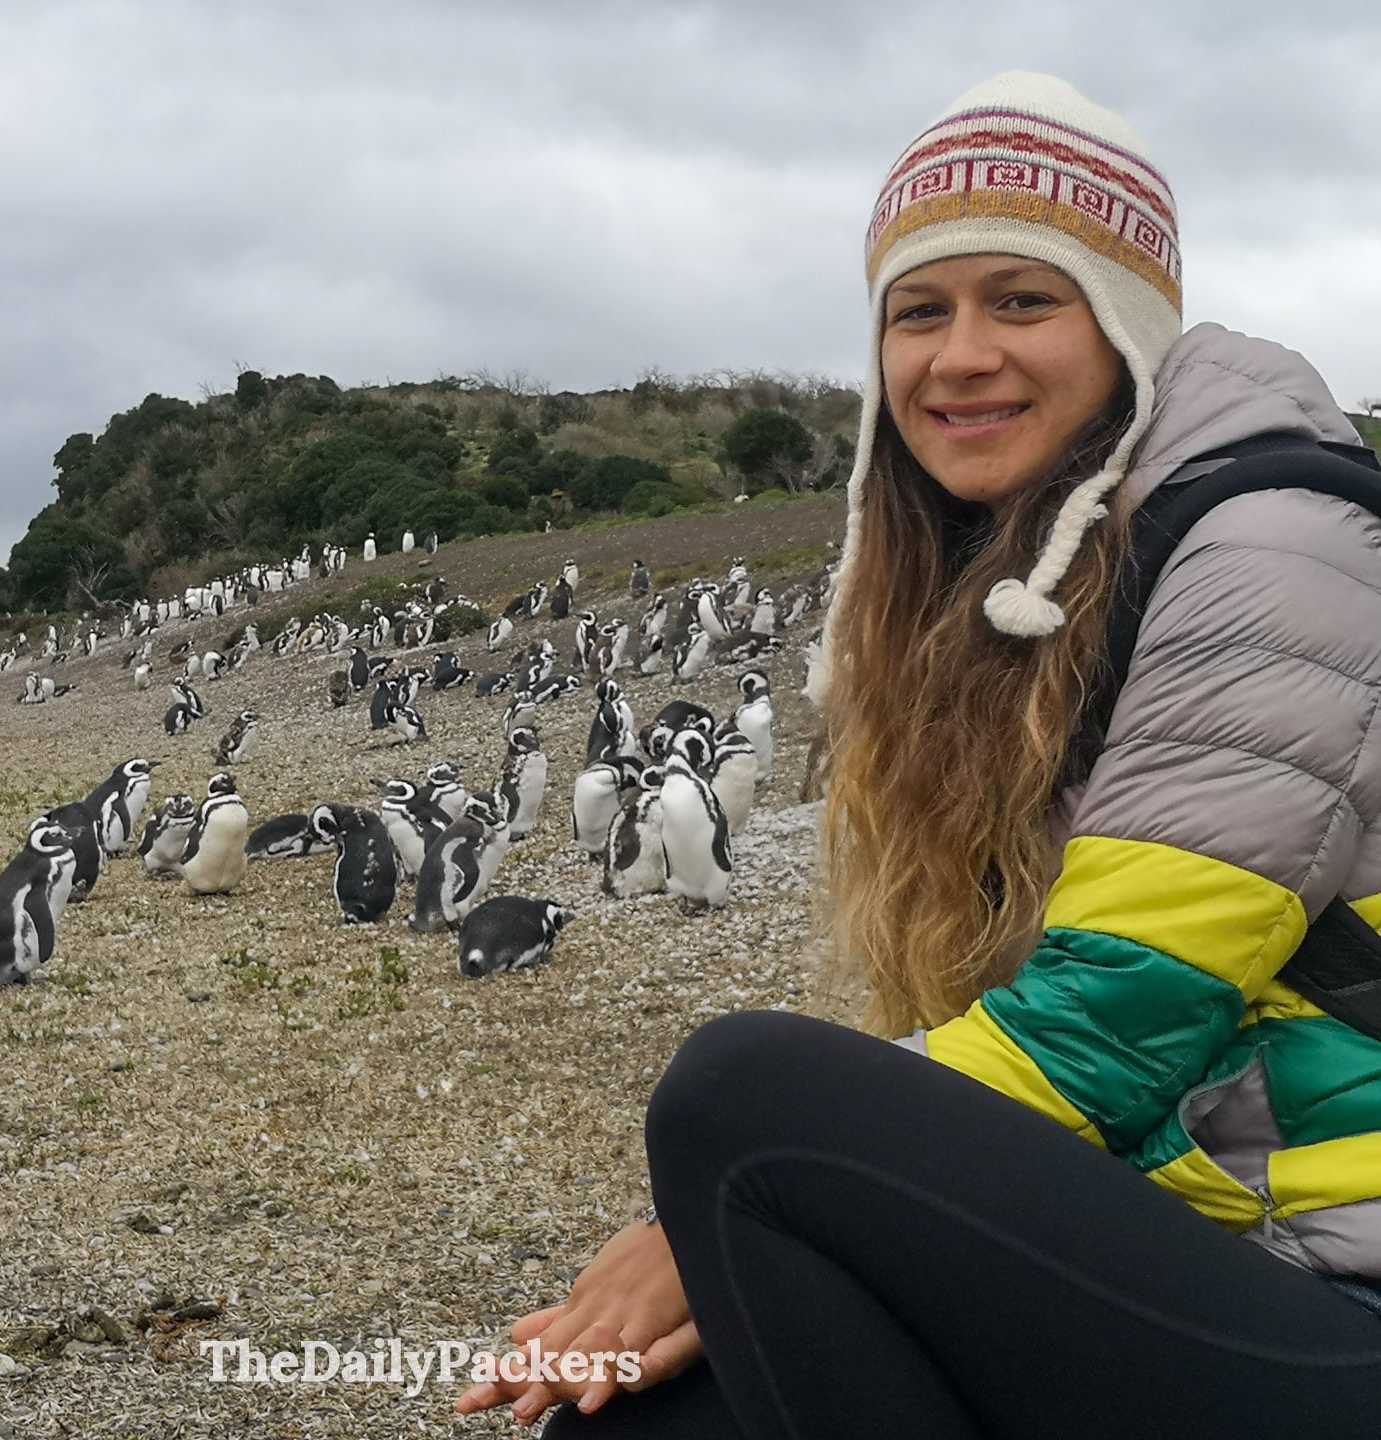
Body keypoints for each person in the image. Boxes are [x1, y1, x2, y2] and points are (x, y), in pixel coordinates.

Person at [457, 71, 1381, 1436]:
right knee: (641, 1423)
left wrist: (703, 1227)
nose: (959, 356)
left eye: (1024, 299)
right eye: (919, 311)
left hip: (1339, 1291)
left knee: (741, 1099)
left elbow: (1123, 1011)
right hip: (1194, 1238)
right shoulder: (995, 572)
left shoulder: (1271, 538)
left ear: (1126, 324)